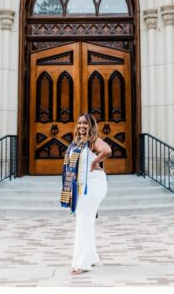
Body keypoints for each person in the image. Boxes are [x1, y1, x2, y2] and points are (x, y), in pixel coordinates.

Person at [60, 113, 112, 275]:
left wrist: (96, 162)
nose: (82, 126)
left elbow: (107, 150)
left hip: (93, 185)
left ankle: (81, 263)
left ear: (91, 125)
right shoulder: (77, 142)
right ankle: (91, 257)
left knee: (82, 222)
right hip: (81, 185)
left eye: (85, 123)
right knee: (86, 221)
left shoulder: (92, 140)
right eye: (80, 123)